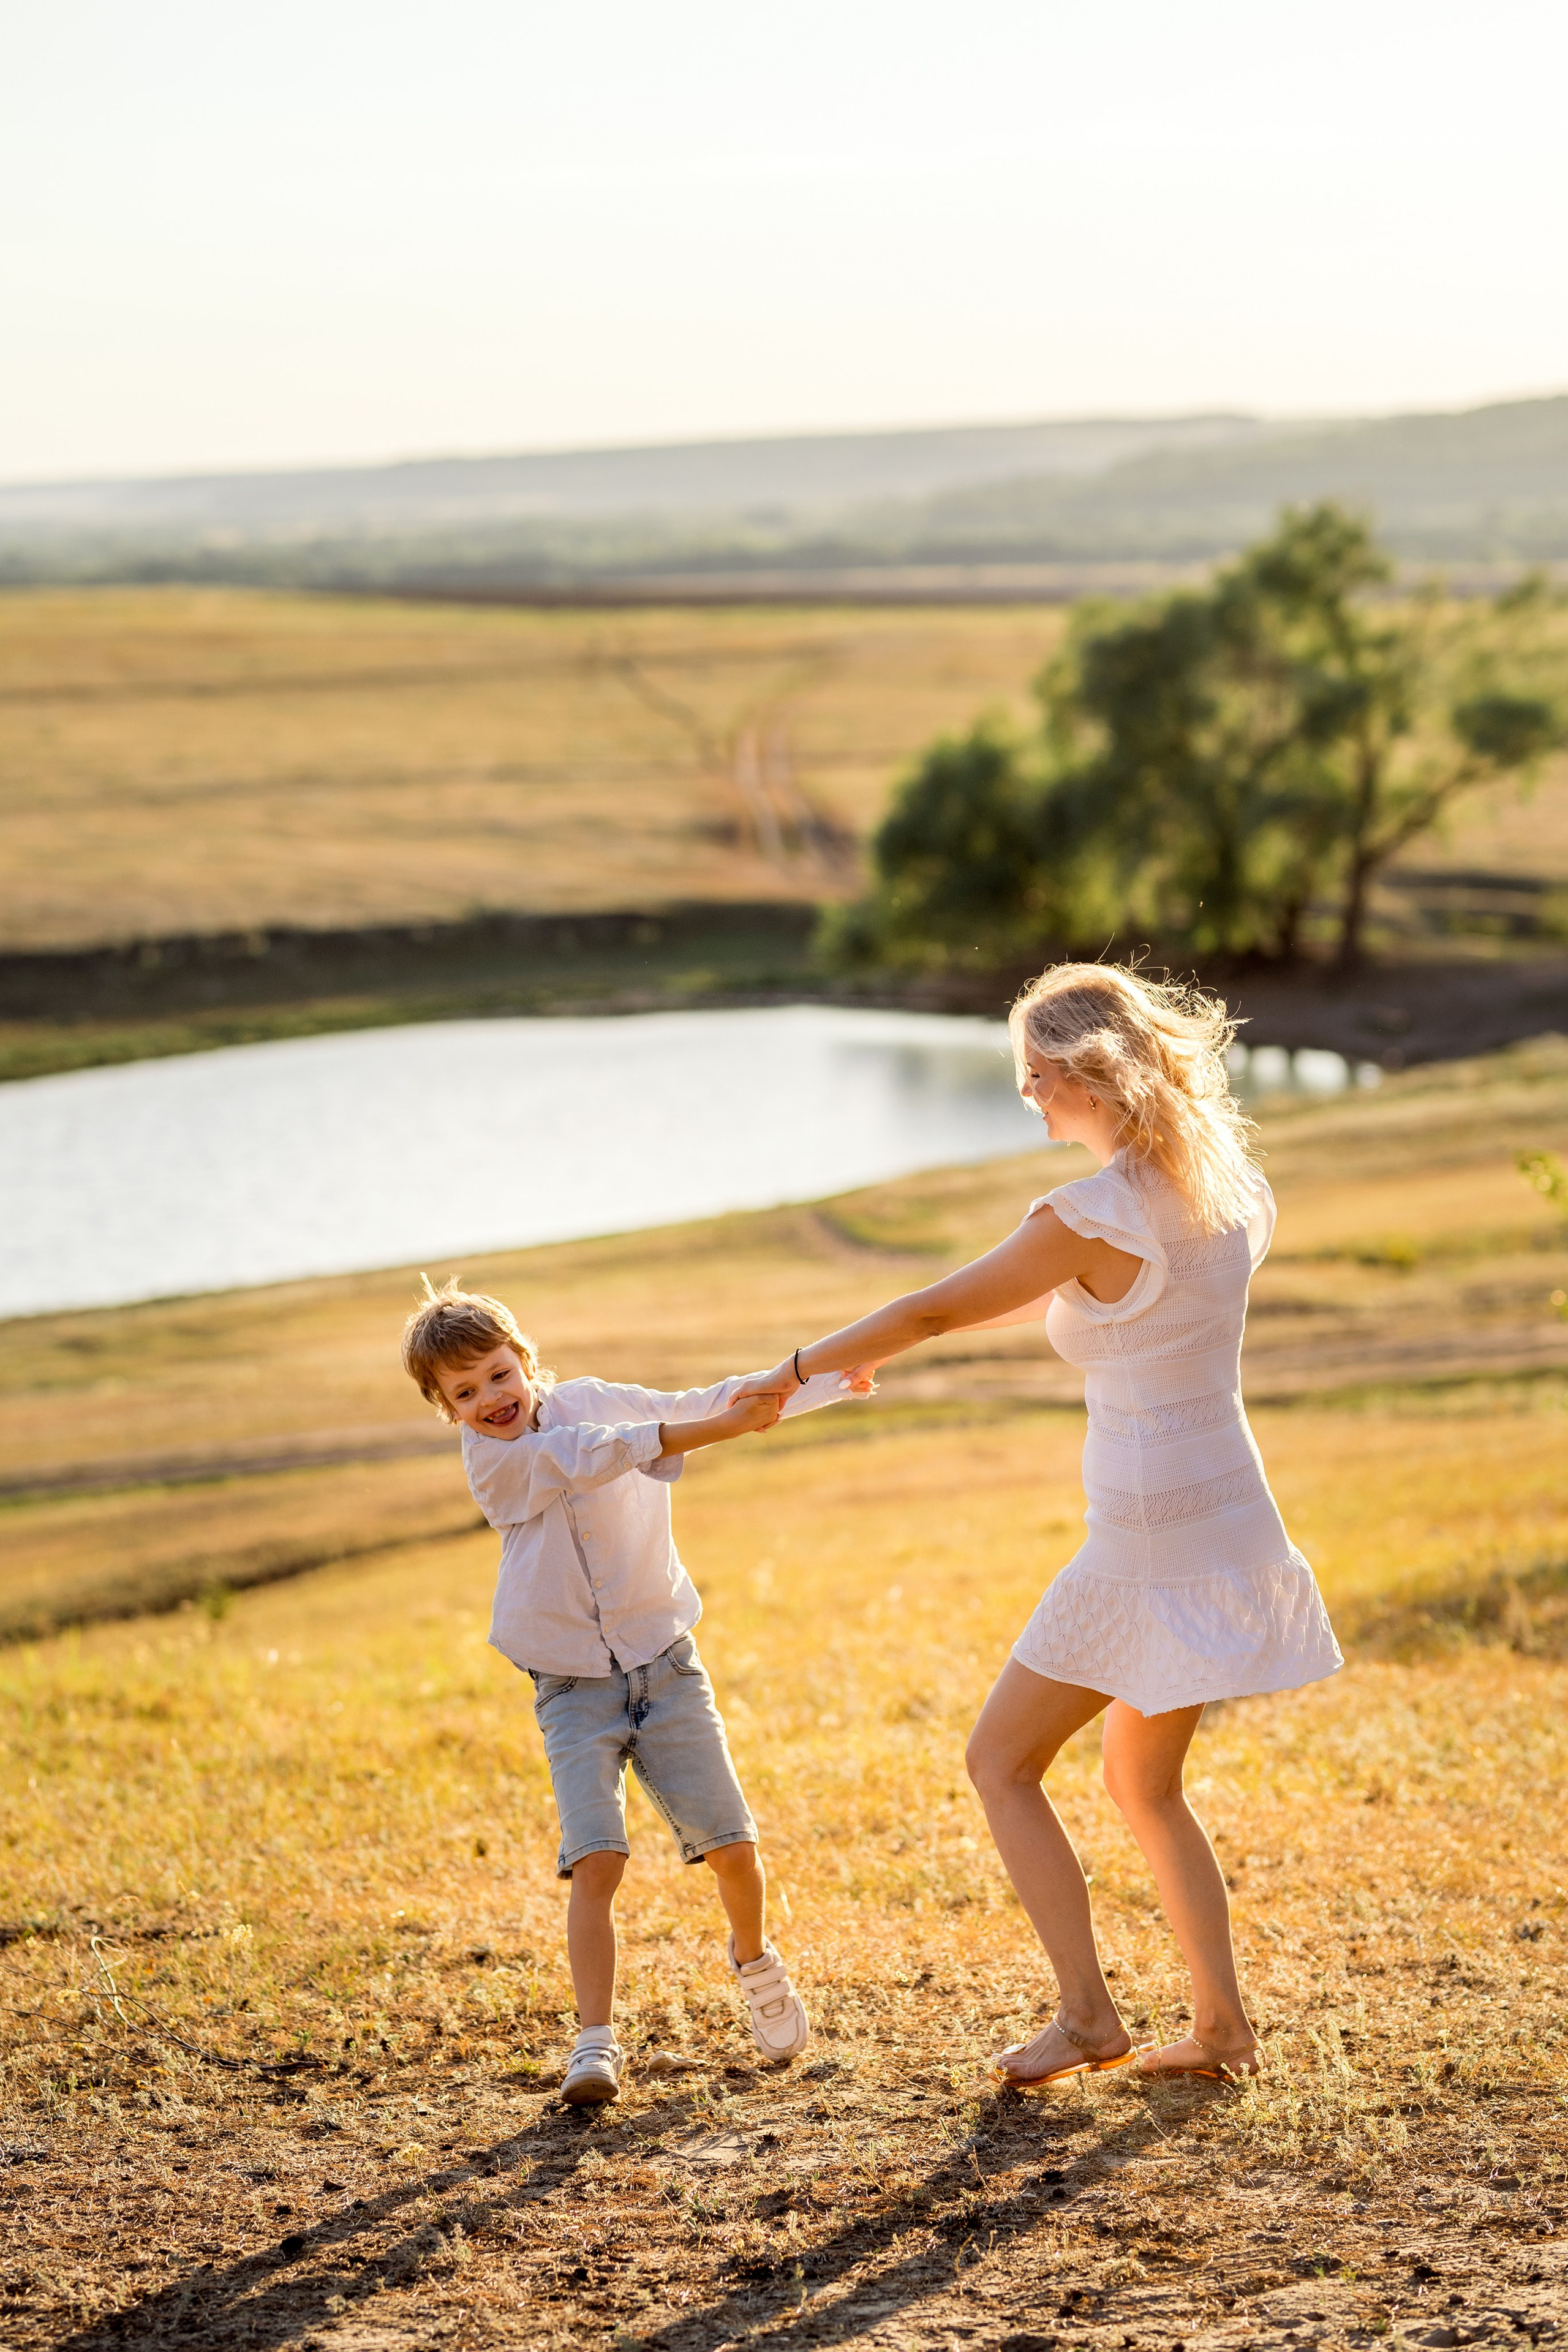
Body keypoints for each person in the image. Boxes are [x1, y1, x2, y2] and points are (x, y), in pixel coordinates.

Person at [746, 964, 1342, 2087]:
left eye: (1031, 1077)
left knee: (1001, 1761)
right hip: (1225, 1515)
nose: (1027, 1098)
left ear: (1081, 1074)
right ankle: (1222, 2035)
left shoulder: (1090, 1212)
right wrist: (875, 1351)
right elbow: (1105, 1296)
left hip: (1145, 1541)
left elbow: (937, 1303)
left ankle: (1086, 2020)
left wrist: (790, 1371)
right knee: (1144, 1787)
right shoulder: (1230, 1190)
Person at [401, 1280, 850, 2103]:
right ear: (447, 1409)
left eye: (499, 1374)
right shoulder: (495, 1463)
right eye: (464, 1394)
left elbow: (701, 1399)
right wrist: (717, 1429)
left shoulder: (593, 1400)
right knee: (597, 1860)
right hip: (572, 1685)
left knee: (734, 1849)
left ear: (525, 1360)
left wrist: (817, 1382)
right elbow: (597, 1455)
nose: (490, 1400)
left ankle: (753, 1962)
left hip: (664, 1662)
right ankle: (595, 2045)